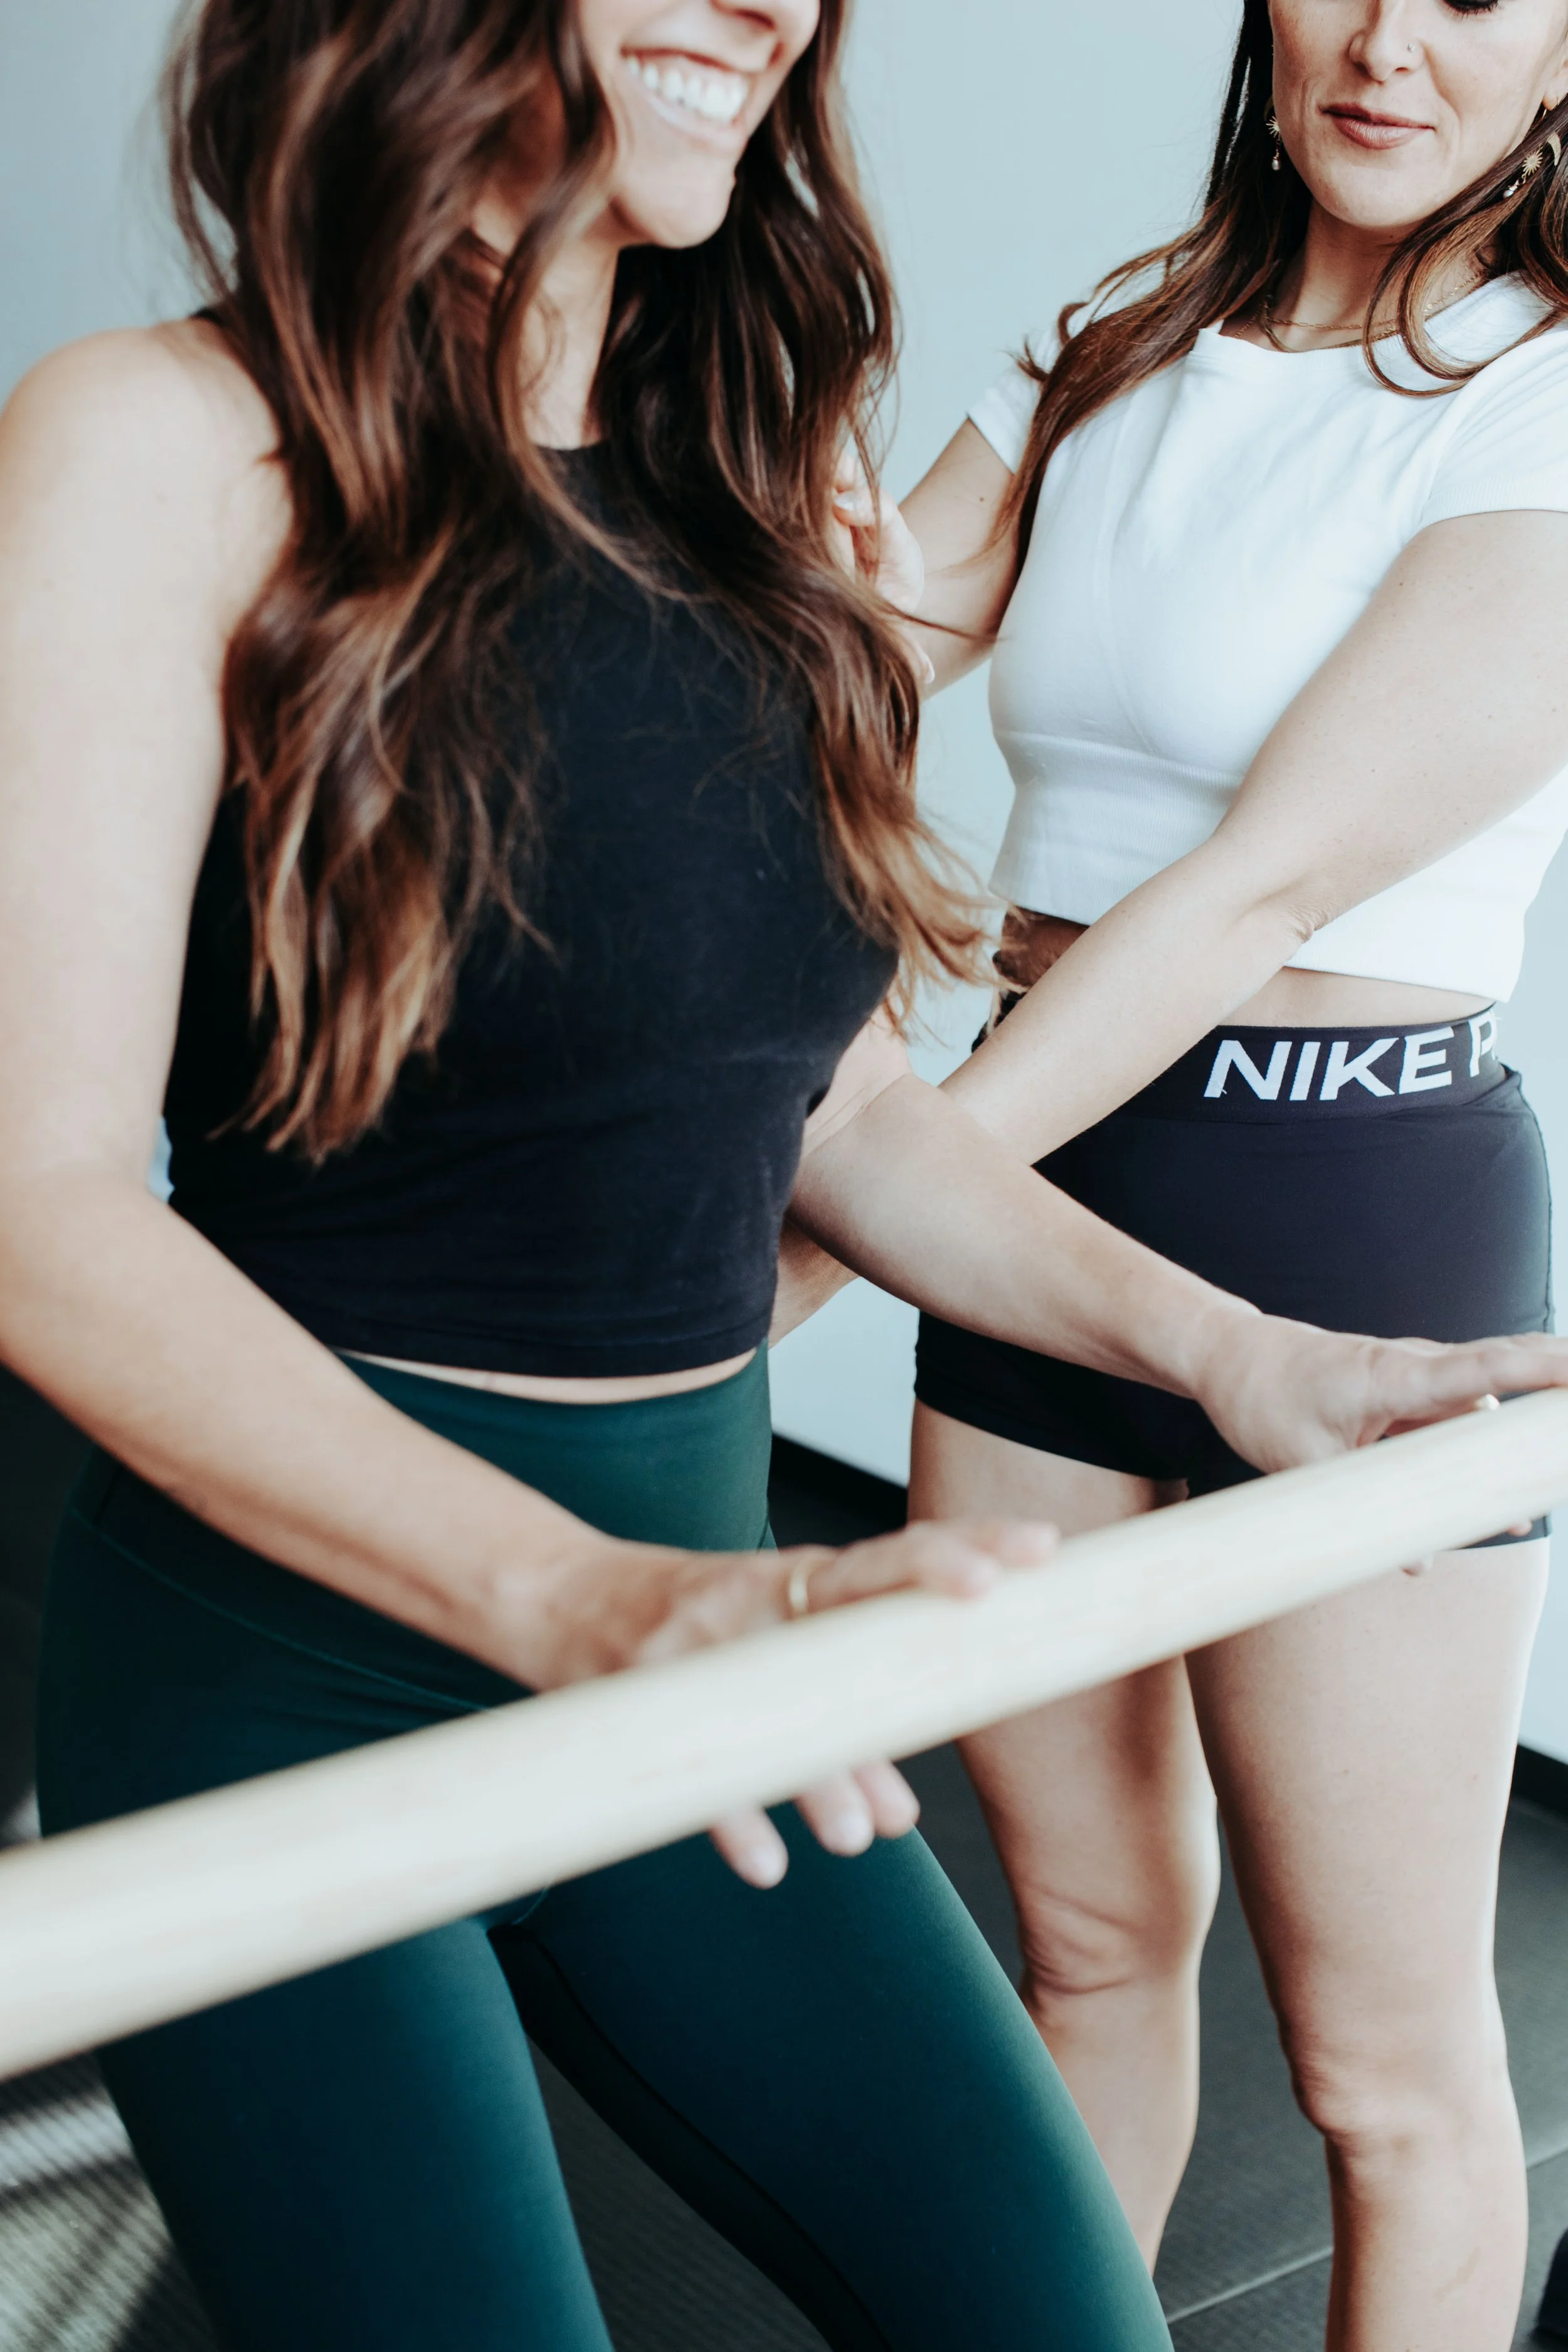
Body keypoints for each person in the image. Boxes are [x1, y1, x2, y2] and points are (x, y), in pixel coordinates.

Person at [2, 4, 1562, 2349]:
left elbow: (836, 1114)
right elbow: (42, 1211)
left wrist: (1260, 1362)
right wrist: (573, 1601)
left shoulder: (758, 463)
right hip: (295, 1664)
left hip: (691, 1646)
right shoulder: (164, 442)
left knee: (1062, 2312)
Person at [841, 1, 1568, 2344]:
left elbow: (1254, 892)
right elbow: (842, 651)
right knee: (1079, 1949)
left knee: (1377, 2065)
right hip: (1048, 1187)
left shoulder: (1545, 392)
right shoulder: (1124, 332)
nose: (1384, 43)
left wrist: (866, 1183)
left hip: (1350, 1222)